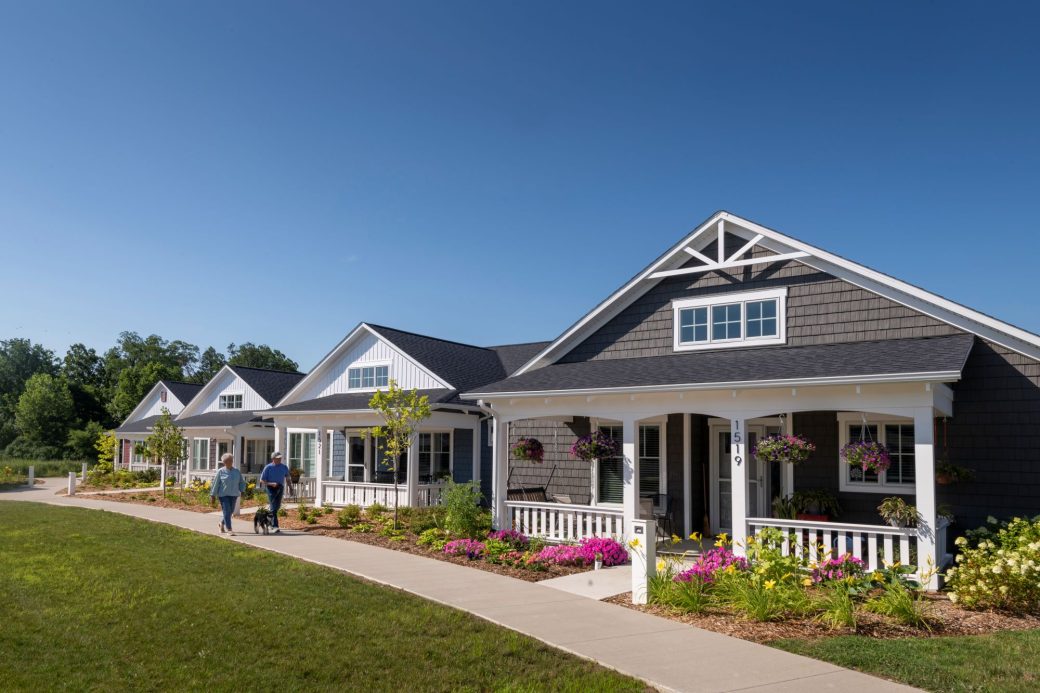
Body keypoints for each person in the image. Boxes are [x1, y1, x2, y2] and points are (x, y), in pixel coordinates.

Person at [210, 453, 246, 536]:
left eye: (231, 460)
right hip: (223, 495)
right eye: (228, 461)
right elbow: (216, 483)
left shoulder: (236, 471)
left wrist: (242, 491)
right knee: (226, 511)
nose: (230, 462)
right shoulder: (221, 471)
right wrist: (212, 495)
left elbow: (241, 482)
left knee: (230, 512)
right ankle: (229, 529)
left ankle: (221, 523)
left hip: (234, 495)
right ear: (224, 462)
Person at [260, 450, 291, 533]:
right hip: (271, 488)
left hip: (280, 488)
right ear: (273, 458)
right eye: (278, 458)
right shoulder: (268, 467)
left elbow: (287, 478)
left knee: (276, 507)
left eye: (280, 458)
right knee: (273, 507)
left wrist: (290, 488)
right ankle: (275, 526)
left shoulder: (284, 467)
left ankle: (268, 521)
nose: (280, 459)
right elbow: (262, 480)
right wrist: (271, 483)